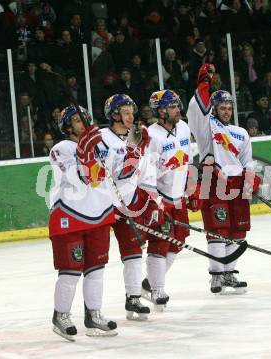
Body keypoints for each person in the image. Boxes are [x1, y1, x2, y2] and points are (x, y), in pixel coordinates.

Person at [187, 64, 260, 294]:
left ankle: (229, 274)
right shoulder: (206, 127)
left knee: (236, 231)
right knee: (218, 229)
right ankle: (217, 276)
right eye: (222, 107)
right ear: (215, 109)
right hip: (213, 180)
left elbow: (248, 161)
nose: (226, 111)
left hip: (237, 184)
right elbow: (198, 109)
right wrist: (204, 83)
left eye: (229, 108)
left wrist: (250, 181)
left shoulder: (241, 132)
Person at [49, 105, 117, 341]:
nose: (82, 124)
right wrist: (85, 152)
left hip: (99, 214)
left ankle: (93, 314)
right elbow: (79, 179)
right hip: (70, 216)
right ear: (67, 126)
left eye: (85, 120)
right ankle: (61, 315)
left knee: (96, 270)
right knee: (70, 272)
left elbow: (106, 177)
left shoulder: (100, 145)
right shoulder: (60, 149)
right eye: (77, 121)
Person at [100, 94, 160, 319]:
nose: (130, 116)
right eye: (125, 112)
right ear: (113, 115)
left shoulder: (136, 137)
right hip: (102, 206)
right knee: (94, 261)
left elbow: (144, 172)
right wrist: (134, 151)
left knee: (133, 252)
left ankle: (133, 297)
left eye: (131, 112)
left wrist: (153, 201)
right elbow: (115, 173)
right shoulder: (101, 138)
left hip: (127, 205)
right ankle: (90, 308)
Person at [141, 89, 199, 309]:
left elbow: (189, 160)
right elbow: (146, 173)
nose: (178, 110)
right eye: (173, 107)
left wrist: (191, 188)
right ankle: (158, 289)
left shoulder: (183, 128)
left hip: (179, 197)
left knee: (178, 241)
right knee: (160, 243)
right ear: (161, 111)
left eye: (177, 106)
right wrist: (155, 202)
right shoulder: (151, 135)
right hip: (160, 198)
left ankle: (150, 283)